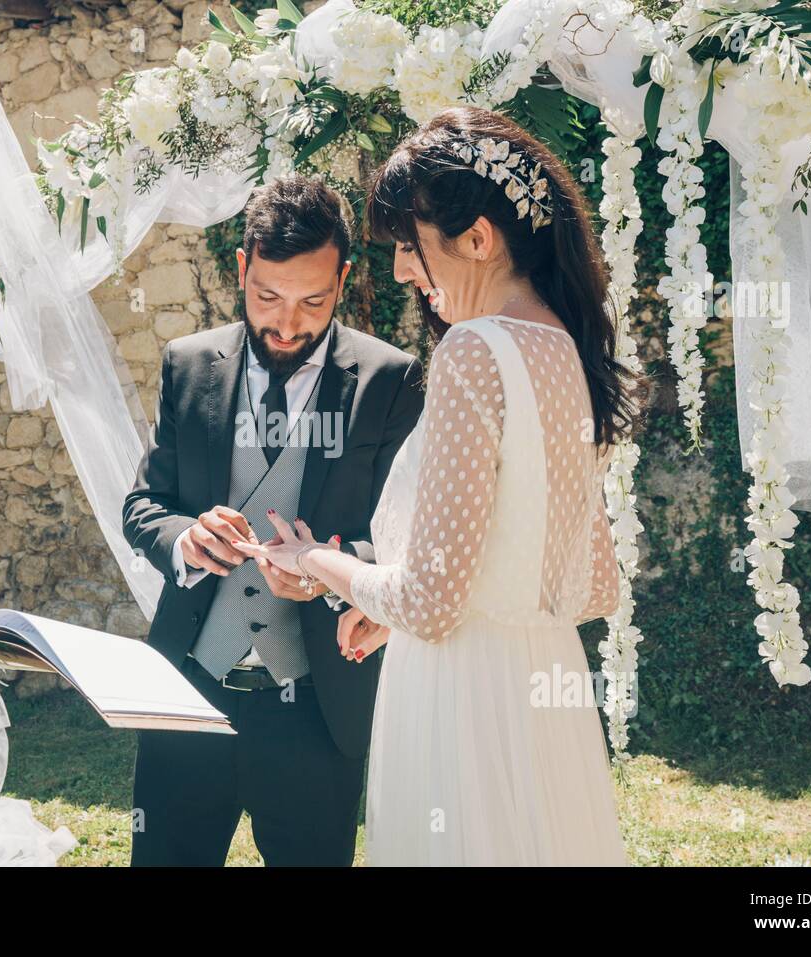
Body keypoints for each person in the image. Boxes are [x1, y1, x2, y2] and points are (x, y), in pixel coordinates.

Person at [236, 106, 638, 865]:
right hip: (549, 710)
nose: (400, 271)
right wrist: (426, 611)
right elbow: (592, 588)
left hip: (465, 710)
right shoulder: (568, 354)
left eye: (411, 247)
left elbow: (429, 598)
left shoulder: (474, 352)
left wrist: (315, 563)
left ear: (479, 239)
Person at [122, 175, 424, 865]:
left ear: (343, 279)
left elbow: (405, 539)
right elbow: (145, 505)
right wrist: (186, 539)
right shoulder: (188, 364)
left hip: (317, 707)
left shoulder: (390, 381)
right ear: (241, 269)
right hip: (189, 690)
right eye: (268, 298)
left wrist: (329, 568)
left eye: (312, 300)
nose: (287, 323)